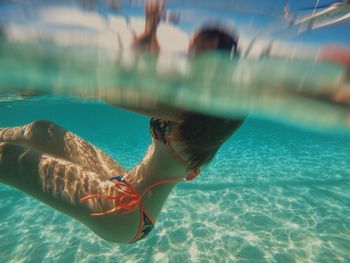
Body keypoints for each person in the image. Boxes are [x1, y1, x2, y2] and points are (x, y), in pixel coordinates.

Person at [0, 1, 244, 243]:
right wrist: (151, 27)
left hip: (126, 214)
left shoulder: (200, 108)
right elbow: (147, 73)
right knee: (44, 130)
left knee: (5, 157)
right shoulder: (196, 103)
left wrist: (47, 80)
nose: (188, 59)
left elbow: (113, 92)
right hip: (123, 183)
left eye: (195, 53)